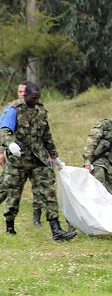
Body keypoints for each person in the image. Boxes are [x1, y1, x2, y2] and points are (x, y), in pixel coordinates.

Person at [0, 82, 75, 241]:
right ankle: (10, 227)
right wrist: (10, 143)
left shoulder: (41, 110)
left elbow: (46, 136)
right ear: (24, 95)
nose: (36, 100)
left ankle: (56, 230)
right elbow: (5, 130)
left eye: (38, 97)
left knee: (48, 191)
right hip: (17, 160)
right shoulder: (13, 110)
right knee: (13, 193)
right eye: (33, 97)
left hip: (38, 159)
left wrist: (55, 157)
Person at [0, 81, 45, 226]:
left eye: (23, 92)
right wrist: (1, 151)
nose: (21, 95)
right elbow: (4, 131)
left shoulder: (37, 109)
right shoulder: (11, 109)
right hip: (14, 157)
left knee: (39, 187)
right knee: (6, 186)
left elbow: (41, 135)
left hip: (34, 157)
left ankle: (37, 217)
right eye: (19, 92)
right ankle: (9, 223)